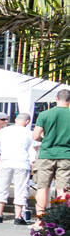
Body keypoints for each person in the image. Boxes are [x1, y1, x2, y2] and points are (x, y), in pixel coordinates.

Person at [33, 89, 70, 220]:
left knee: (42, 187)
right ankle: (62, 219)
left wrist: (44, 139)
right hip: (66, 155)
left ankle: (40, 219)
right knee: (62, 189)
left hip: (46, 154)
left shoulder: (44, 114)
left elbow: (35, 135)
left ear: (56, 98)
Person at [0, 112, 34, 224]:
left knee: (2, 187)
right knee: (20, 189)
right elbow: (35, 148)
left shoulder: (4, 131)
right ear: (27, 121)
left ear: (15, 120)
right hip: (22, 163)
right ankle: (18, 217)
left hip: (5, 162)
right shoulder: (29, 132)